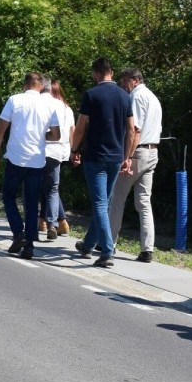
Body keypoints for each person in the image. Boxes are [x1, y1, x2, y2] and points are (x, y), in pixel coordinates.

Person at [69, 57, 134, 269]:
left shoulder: (91, 94)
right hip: (116, 157)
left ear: (96, 74)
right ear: (112, 73)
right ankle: (88, 245)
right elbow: (131, 130)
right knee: (103, 202)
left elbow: (80, 127)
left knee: (99, 203)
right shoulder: (125, 96)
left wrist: (74, 149)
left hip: (95, 156)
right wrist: (127, 157)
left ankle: (107, 250)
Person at [0, 72, 61, 260]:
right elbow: (56, 135)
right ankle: (29, 245)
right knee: (31, 203)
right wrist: (40, 137)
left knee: (8, 196)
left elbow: (0, 129)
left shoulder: (14, 100)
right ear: (40, 86)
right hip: (37, 161)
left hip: (15, 158)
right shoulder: (49, 104)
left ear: (25, 85)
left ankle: (18, 233)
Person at [107, 67, 163, 263]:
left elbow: (135, 130)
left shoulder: (137, 98)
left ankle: (109, 243)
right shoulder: (154, 98)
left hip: (137, 152)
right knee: (143, 202)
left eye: (125, 82)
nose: (123, 86)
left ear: (135, 80)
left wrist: (127, 157)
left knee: (117, 198)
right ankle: (147, 248)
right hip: (153, 151)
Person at [39, 79, 75, 240]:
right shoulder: (65, 108)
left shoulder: (42, 104)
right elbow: (72, 131)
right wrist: (74, 151)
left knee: (41, 187)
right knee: (52, 188)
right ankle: (54, 223)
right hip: (61, 151)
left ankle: (46, 221)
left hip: (42, 148)